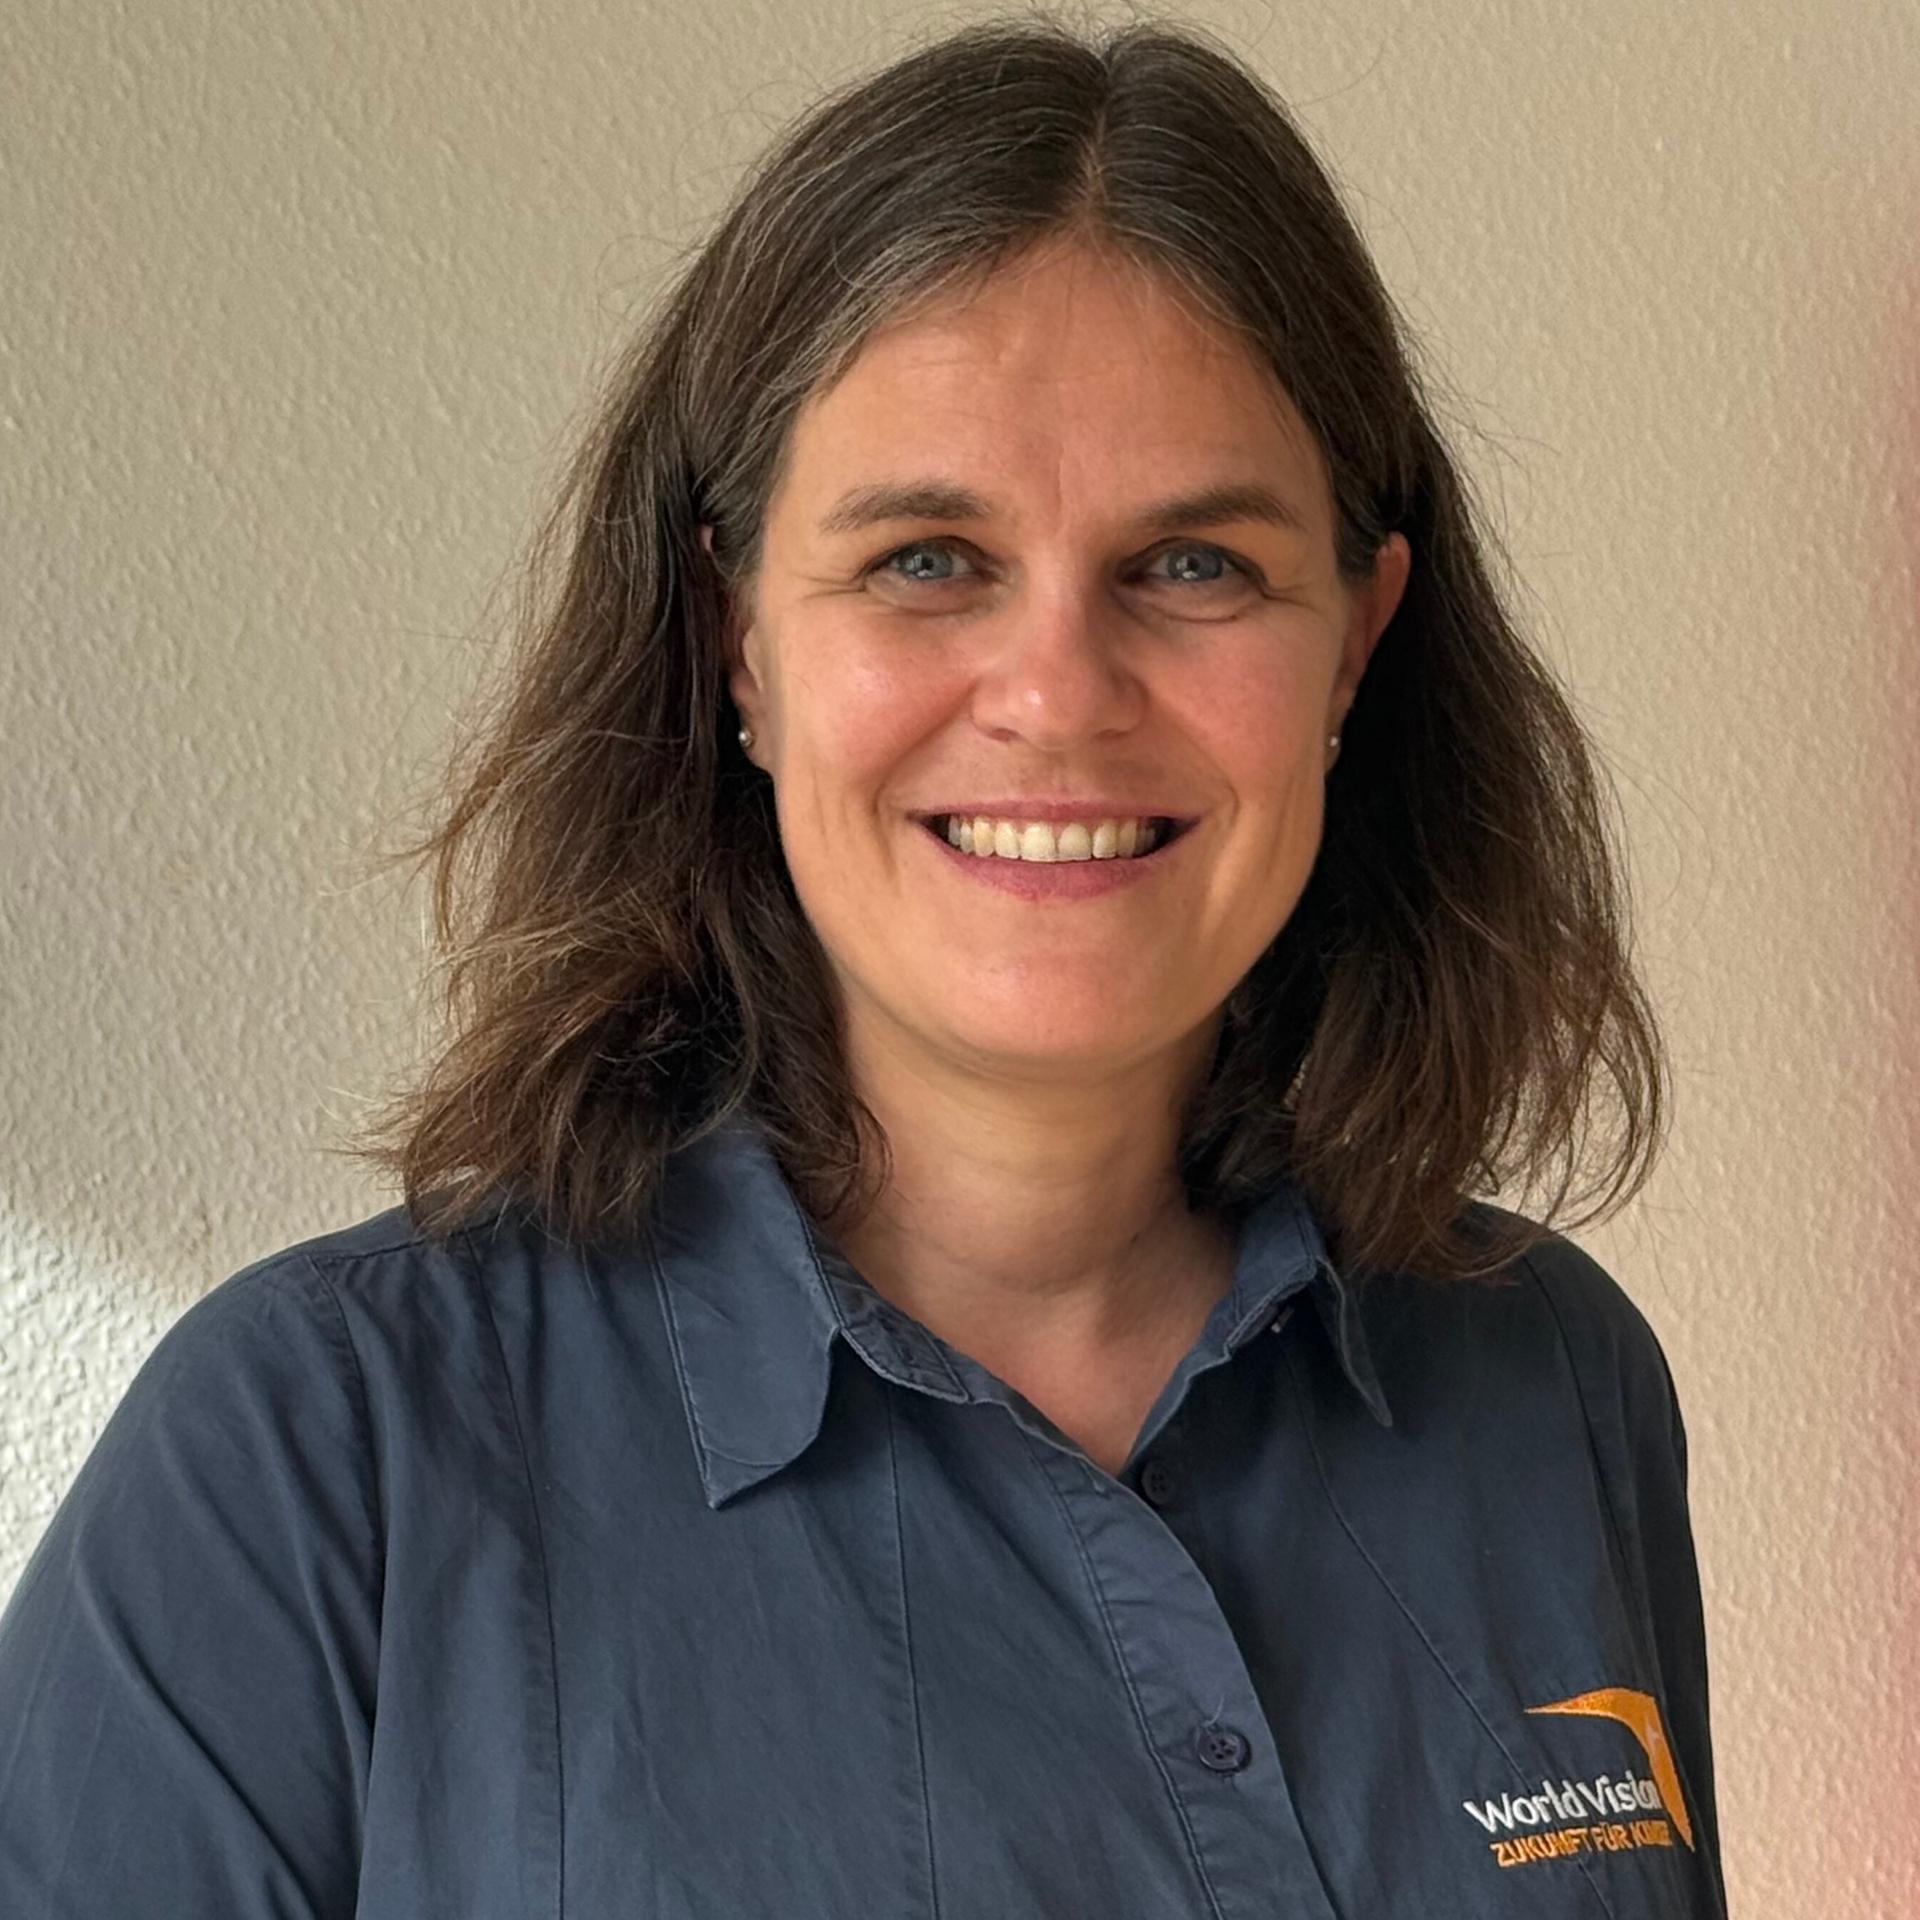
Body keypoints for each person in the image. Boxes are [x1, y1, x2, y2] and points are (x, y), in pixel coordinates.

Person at [0, 15, 1726, 1918]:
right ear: (736, 641)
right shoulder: (316, 1458)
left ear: (1353, 646)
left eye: (1195, 565)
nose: (1058, 693)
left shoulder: (1554, 1381)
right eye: (926, 558)